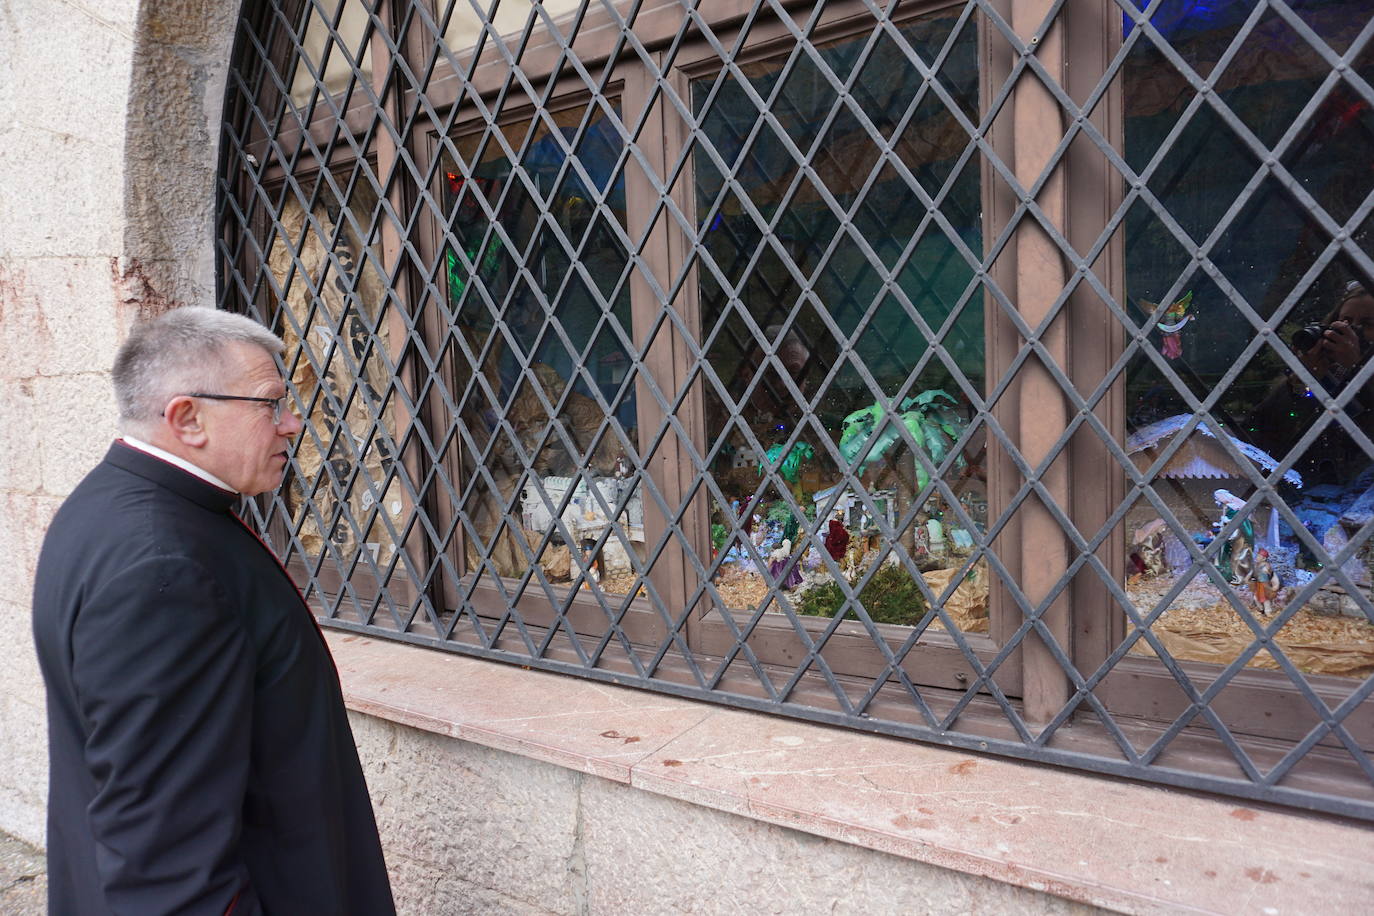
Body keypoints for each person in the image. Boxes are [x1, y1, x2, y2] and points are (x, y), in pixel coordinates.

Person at [32, 309, 395, 915]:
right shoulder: (164, 567)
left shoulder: (113, 506)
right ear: (187, 418)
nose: (291, 425)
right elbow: (168, 862)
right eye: (270, 405)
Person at [1247, 279, 1374, 486]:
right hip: (1302, 489)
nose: (1352, 332)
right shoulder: (1322, 368)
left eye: (1367, 325)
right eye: (1346, 322)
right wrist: (1299, 382)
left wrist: (1358, 370)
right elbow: (1260, 429)